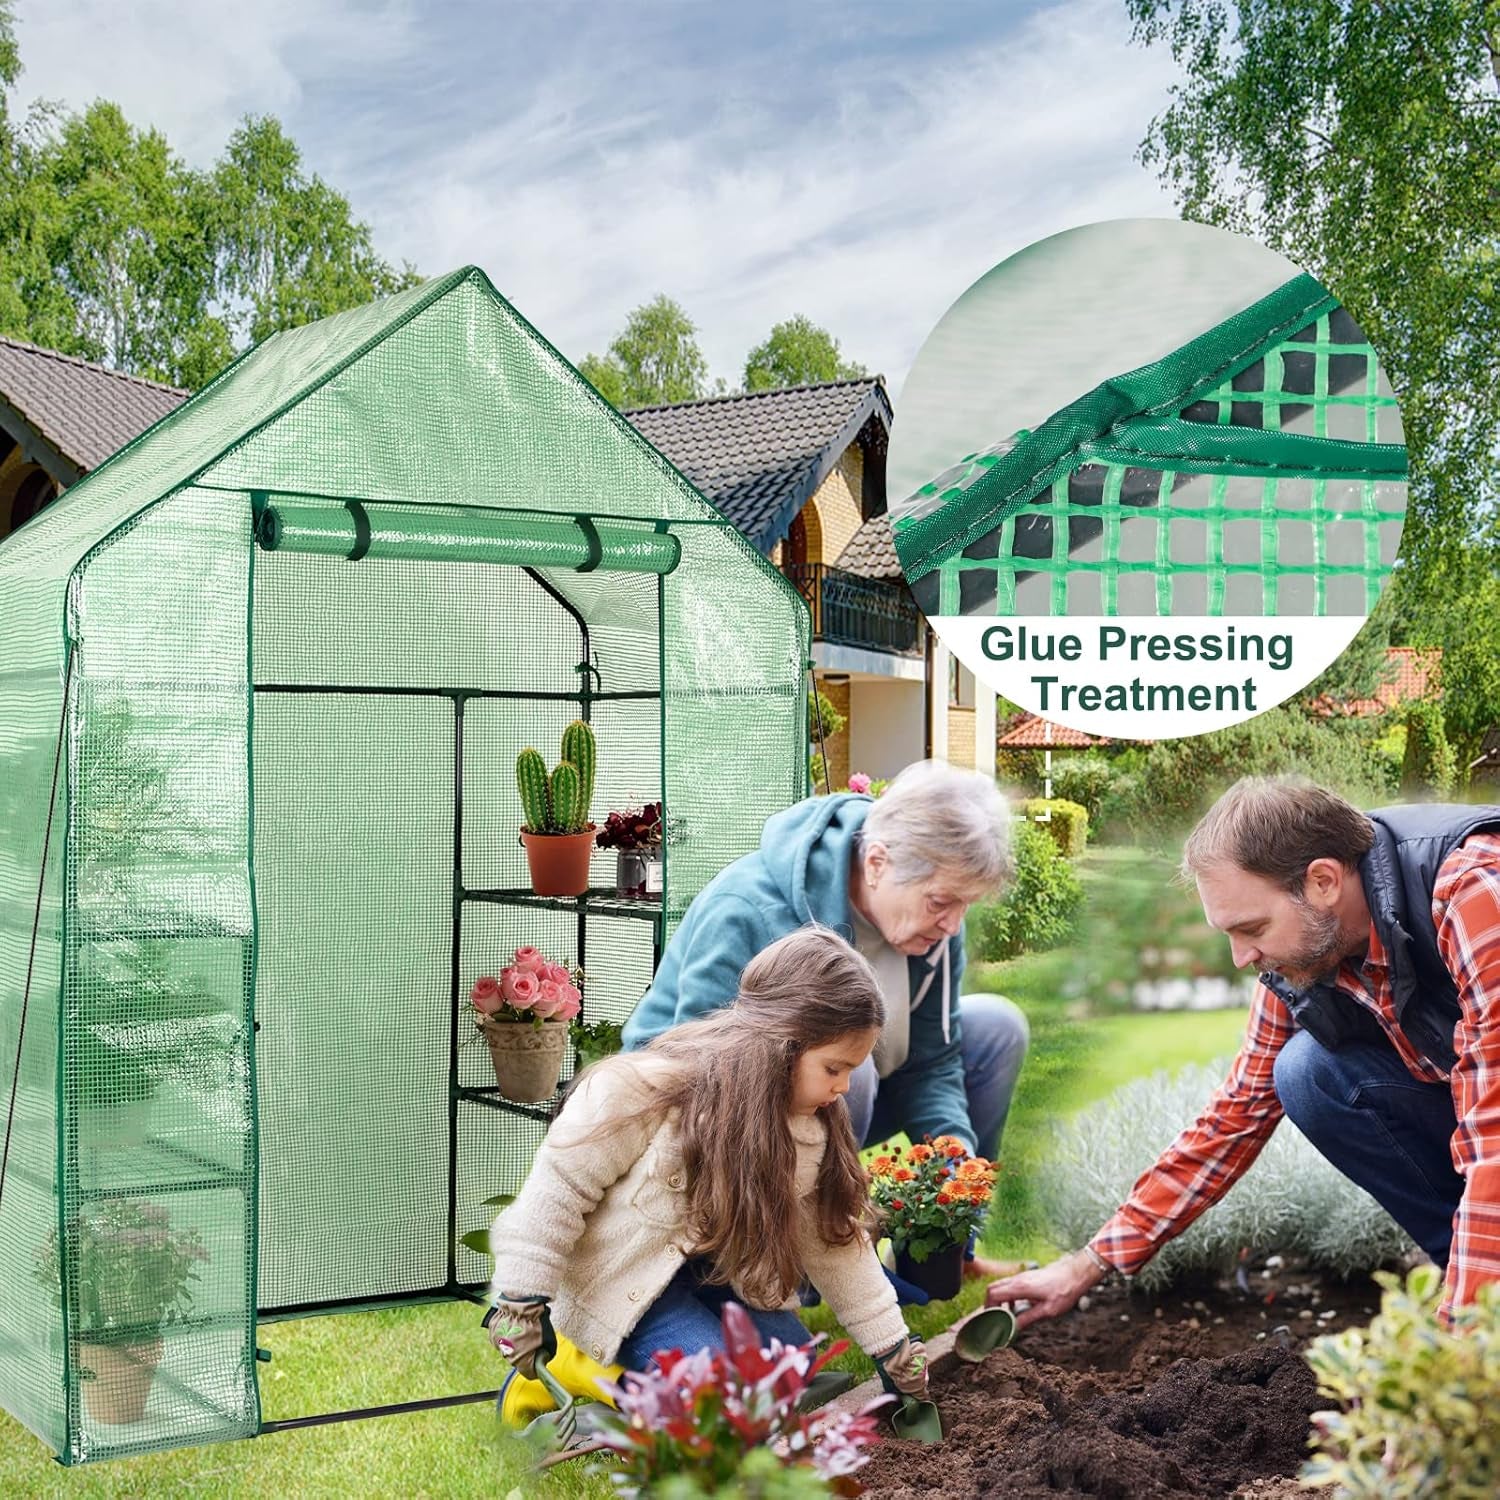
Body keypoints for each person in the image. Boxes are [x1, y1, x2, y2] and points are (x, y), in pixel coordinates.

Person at [987, 776, 1500, 1329]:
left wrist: (1459, 1351)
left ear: (1323, 881)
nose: (1240, 958)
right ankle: (1476, 1288)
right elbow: (1235, 1115)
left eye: (1252, 928)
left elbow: (1494, 1129)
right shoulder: (1303, 959)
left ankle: (1478, 1320)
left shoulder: (1470, 893)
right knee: (1307, 1073)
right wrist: (1087, 1263)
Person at [486, 927, 928, 1406]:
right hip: (624, 1285)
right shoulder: (642, 1094)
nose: (843, 1087)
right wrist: (522, 1302)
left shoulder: (804, 1130)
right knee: (720, 1401)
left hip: (707, 1275)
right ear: (783, 1046)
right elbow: (556, 1193)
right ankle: (577, 1363)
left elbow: (833, 1244)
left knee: (793, 1370)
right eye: (835, 1068)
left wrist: (893, 1347)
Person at [623, 759, 1030, 1280]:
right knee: (843, 1068)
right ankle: (789, 1274)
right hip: (704, 1114)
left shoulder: (934, 927)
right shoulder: (747, 907)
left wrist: (954, 1163)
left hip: (851, 1095)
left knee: (998, 1028)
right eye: (942, 902)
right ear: (878, 863)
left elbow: (934, 1060)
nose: (952, 924)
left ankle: (936, 1257)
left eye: (965, 906)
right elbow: (695, 1076)